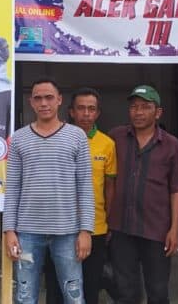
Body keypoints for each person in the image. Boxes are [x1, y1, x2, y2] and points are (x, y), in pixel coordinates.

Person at [4, 78, 94, 304]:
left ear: (59, 100)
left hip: (67, 232)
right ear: (31, 102)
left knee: (74, 295)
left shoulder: (77, 136)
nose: (43, 103)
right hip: (27, 233)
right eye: (38, 98)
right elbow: (13, 186)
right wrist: (9, 230)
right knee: (25, 296)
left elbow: (84, 186)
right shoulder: (18, 139)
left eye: (49, 97)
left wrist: (86, 231)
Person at [108, 85, 178, 304]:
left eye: (145, 107)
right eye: (134, 107)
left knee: (158, 291)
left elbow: (176, 188)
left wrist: (175, 229)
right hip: (121, 228)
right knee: (125, 290)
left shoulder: (171, 144)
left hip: (156, 230)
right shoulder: (116, 137)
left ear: (158, 112)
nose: (138, 112)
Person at [44, 88, 116, 304]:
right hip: (58, 226)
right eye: (81, 108)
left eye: (91, 109)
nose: (86, 114)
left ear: (98, 113)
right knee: (56, 287)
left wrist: (108, 221)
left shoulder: (107, 144)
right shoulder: (54, 138)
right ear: (71, 111)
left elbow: (110, 187)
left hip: (95, 227)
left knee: (90, 286)